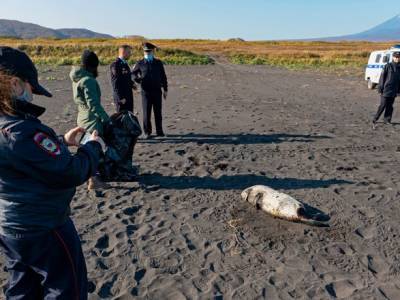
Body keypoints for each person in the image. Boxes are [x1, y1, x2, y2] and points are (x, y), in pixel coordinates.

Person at [0, 46, 106, 299]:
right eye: (30, 87)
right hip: (44, 226)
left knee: (22, 286)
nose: (31, 94)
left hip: (9, 226)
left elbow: (20, 158)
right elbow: (70, 172)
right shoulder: (20, 131)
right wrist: (93, 148)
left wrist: (59, 141)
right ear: (15, 84)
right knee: (65, 288)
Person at [70, 50, 110, 190]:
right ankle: (93, 180)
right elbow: (93, 104)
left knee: (87, 147)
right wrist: (106, 119)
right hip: (91, 119)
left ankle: (91, 178)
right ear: (93, 66)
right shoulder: (88, 81)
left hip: (82, 117)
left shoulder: (77, 79)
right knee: (95, 147)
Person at [132, 42, 168, 139]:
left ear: (153, 51)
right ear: (143, 52)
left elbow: (163, 77)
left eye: (149, 51)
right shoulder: (140, 63)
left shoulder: (158, 63)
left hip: (157, 91)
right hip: (146, 92)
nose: (147, 53)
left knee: (158, 112)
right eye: (145, 51)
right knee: (146, 113)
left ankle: (159, 132)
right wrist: (138, 80)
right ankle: (147, 132)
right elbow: (133, 74)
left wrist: (165, 89)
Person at [373, 51, 400, 128]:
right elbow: (382, 78)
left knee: (390, 106)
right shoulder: (387, 66)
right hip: (386, 89)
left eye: (399, 57)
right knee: (383, 104)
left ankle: (387, 120)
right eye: (396, 57)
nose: (397, 59)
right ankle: (375, 118)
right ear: (393, 57)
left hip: (394, 90)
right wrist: (380, 88)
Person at [110, 45, 137, 113]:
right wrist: (120, 97)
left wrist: (132, 84)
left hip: (128, 96)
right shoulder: (116, 65)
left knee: (129, 117)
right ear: (123, 52)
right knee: (121, 119)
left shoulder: (125, 64)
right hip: (122, 98)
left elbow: (125, 78)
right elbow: (115, 83)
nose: (130, 54)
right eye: (129, 52)